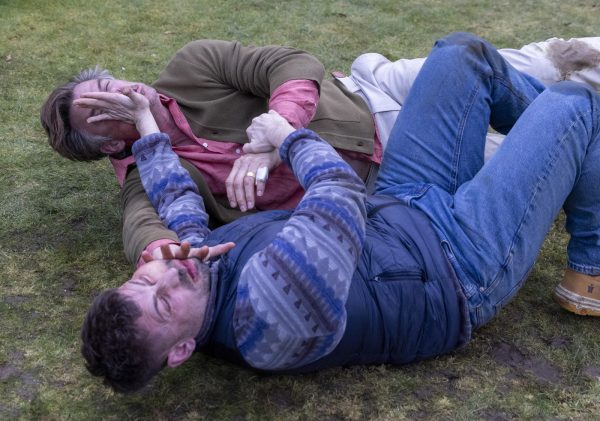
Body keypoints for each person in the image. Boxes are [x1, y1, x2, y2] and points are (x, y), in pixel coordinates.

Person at [81, 33, 600, 393]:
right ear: (180, 350)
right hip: (458, 266)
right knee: (573, 104)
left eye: (144, 280)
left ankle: (578, 146)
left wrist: (145, 122)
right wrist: (285, 137)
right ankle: (591, 265)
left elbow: (179, 204)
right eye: (163, 303)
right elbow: (339, 193)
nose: (168, 276)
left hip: (398, 207)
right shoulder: (268, 318)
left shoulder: (197, 274)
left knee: (459, 57)